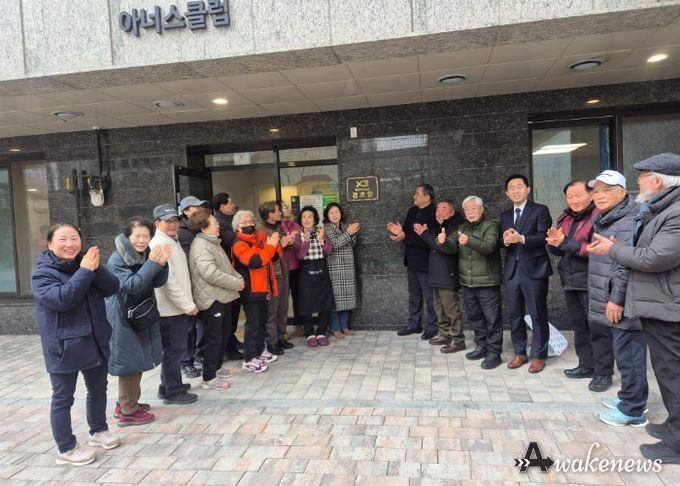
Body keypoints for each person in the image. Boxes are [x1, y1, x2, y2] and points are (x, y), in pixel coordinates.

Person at [590, 154, 680, 462]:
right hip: (656, 304)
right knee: (666, 371)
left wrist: (612, 250)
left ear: (657, 181)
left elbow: (654, 258)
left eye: (641, 178)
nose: (637, 183)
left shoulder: (673, 213)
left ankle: (675, 442)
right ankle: (673, 426)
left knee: (672, 372)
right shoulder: (660, 209)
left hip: (665, 304)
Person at [32, 224, 121, 466]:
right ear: (50, 244)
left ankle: (98, 430)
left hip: (94, 340)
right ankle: (66, 448)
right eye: (63, 239)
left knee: (98, 389)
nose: (70, 244)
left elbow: (112, 287)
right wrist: (85, 270)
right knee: (63, 398)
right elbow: (63, 299)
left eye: (75, 238)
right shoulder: (42, 275)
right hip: (63, 347)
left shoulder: (84, 264)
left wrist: (94, 267)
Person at [585, 170, 648, 427]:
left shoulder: (628, 219)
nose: (599, 196)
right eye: (596, 191)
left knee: (629, 355)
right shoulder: (609, 217)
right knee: (625, 354)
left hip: (622, 300)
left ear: (622, 192)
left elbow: (627, 264)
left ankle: (633, 410)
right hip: (610, 294)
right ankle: (629, 398)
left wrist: (617, 299)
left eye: (607, 190)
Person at [546, 180, 612, 383]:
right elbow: (561, 249)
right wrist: (554, 243)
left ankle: (604, 373)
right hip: (570, 279)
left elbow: (595, 250)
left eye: (578, 195)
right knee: (579, 326)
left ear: (590, 195)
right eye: (570, 196)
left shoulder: (599, 216)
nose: (574, 200)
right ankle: (586, 364)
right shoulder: (565, 217)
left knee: (598, 328)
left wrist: (565, 242)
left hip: (593, 280)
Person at [106, 217, 170, 427]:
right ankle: (128, 412)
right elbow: (132, 285)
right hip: (123, 316)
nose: (142, 240)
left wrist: (162, 264)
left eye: (146, 236)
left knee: (137, 359)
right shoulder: (117, 259)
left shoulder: (144, 254)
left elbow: (157, 281)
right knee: (129, 363)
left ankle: (126, 402)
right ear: (127, 236)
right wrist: (153, 264)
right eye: (137, 236)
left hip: (138, 313)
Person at [439, 196, 503, 369]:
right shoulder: (462, 227)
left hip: (487, 282)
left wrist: (469, 241)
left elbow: (489, 246)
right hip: (467, 282)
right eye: (466, 209)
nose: (470, 212)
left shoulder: (491, 226)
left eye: (473, 208)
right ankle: (481, 346)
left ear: (482, 209)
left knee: (492, 319)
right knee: (475, 317)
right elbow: (452, 246)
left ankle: (494, 352)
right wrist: (443, 241)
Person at [500, 174, 553, 373]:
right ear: (507, 193)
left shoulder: (540, 210)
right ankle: (520, 352)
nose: (515, 191)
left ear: (528, 189)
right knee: (515, 314)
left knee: (538, 313)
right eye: (511, 188)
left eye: (519, 186)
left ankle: (539, 355)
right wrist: (506, 240)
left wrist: (521, 238)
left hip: (534, 270)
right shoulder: (505, 215)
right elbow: (502, 241)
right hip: (512, 271)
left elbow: (543, 237)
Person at [188, 208, 245, 390]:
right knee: (214, 338)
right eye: (214, 223)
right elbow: (210, 273)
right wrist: (235, 283)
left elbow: (225, 267)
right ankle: (209, 377)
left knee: (223, 334)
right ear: (203, 227)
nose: (218, 225)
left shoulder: (212, 242)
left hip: (222, 297)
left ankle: (217, 367)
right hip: (212, 299)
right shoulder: (201, 246)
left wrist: (238, 278)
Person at [150, 204, 199, 405]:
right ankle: (173, 391)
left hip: (176, 307)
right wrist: (187, 304)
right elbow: (167, 282)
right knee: (175, 350)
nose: (173, 224)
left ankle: (166, 386)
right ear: (157, 223)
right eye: (167, 221)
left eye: (175, 220)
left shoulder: (171, 239)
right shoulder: (158, 244)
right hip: (170, 309)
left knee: (174, 349)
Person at [232, 209, 280, 372]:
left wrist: (271, 245)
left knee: (261, 322)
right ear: (237, 226)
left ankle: (259, 351)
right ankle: (249, 358)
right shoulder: (239, 243)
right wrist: (270, 246)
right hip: (250, 290)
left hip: (263, 288)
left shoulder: (258, 239)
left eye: (250, 221)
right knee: (253, 325)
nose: (248, 225)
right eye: (244, 223)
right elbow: (255, 261)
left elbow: (273, 257)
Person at [388, 184, 438, 339]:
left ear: (427, 197)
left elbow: (430, 239)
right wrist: (399, 234)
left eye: (417, 193)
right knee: (414, 295)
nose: (414, 196)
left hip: (427, 262)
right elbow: (406, 233)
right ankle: (414, 324)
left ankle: (432, 327)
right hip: (411, 261)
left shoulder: (434, 213)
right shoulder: (412, 211)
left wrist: (405, 236)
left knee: (430, 297)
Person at [415, 199, 465, 353]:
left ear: (452, 211)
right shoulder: (437, 226)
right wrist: (427, 233)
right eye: (437, 209)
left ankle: (458, 340)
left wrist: (425, 234)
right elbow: (433, 243)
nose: (439, 212)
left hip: (448, 273)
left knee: (451, 308)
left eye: (443, 209)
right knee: (439, 308)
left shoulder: (457, 226)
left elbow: (443, 246)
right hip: (436, 273)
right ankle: (444, 334)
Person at [177, 195, 208, 379]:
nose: (201, 209)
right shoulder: (182, 233)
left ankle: (199, 354)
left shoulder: (198, 228)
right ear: (186, 211)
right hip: (188, 285)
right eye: (197, 207)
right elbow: (190, 261)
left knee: (202, 323)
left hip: (200, 284)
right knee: (189, 326)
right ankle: (186, 361)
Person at [294, 205, 334, 347]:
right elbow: (300, 255)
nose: (307, 220)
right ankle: (310, 334)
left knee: (325, 301)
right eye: (304, 217)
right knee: (306, 302)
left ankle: (321, 332)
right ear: (300, 219)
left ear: (315, 219)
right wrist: (306, 241)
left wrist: (322, 239)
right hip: (305, 270)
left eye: (310, 217)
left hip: (321, 268)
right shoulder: (297, 235)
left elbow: (329, 250)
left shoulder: (321, 232)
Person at [259, 201, 295, 355]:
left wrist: (288, 242)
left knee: (283, 308)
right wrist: (282, 244)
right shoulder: (261, 230)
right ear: (270, 214)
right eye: (277, 210)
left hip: (284, 271)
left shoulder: (278, 227)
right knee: (272, 310)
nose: (280, 213)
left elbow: (283, 247)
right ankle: (271, 342)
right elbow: (266, 253)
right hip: (273, 274)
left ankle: (281, 337)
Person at [212, 192, 243, 361]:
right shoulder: (221, 224)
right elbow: (234, 241)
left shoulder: (228, 221)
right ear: (222, 206)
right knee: (230, 312)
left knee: (233, 311)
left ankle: (232, 341)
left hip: (231, 271)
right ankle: (228, 347)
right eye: (230, 203)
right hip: (226, 273)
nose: (233, 205)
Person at [323, 202, 360, 338]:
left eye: (337, 212)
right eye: (331, 212)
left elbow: (352, 243)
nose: (334, 215)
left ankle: (344, 326)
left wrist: (351, 234)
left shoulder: (345, 226)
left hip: (348, 266)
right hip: (334, 267)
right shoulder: (326, 228)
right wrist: (349, 233)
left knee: (347, 299)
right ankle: (335, 328)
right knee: (336, 300)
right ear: (327, 215)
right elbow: (334, 244)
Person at [280, 200, 303, 337]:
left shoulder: (295, 225)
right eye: (284, 207)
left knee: (298, 297)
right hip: (283, 267)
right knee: (283, 300)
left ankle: (299, 324)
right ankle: (282, 329)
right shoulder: (277, 227)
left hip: (297, 266)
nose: (288, 208)